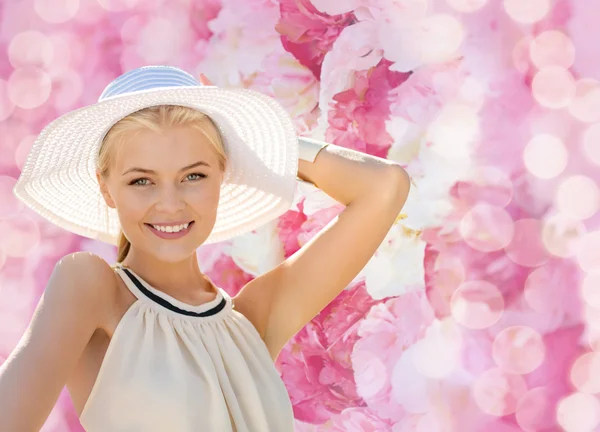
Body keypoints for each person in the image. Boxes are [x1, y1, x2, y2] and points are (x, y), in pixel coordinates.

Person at [0, 65, 410, 431]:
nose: (171, 203)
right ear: (107, 188)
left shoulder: (252, 321)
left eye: (193, 175)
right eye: (141, 180)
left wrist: (253, 143)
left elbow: (384, 187)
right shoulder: (90, 286)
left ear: (223, 173)